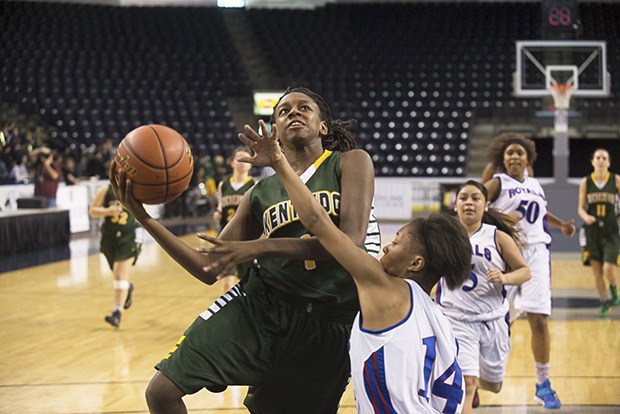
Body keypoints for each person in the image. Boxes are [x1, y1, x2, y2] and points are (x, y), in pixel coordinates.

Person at [110, 87, 380, 414]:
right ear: (275, 131)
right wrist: (142, 216)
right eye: (284, 111)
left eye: (305, 108)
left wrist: (260, 247)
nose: (294, 112)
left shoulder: (350, 162)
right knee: (161, 391)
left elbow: (349, 241)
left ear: (323, 126)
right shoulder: (260, 192)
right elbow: (208, 267)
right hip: (261, 305)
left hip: (327, 321)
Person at [224, 119, 471, 412]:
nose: (387, 245)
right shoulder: (437, 318)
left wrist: (279, 162)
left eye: (398, 241)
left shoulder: (383, 287)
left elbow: (318, 223)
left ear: (417, 263)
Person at [484, 132, 575, 410]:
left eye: (519, 153)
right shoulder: (498, 183)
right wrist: (499, 218)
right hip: (507, 253)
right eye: (509, 152)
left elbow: (540, 212)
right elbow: (470, 204)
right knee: (497, 321)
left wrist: (562, 226)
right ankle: (473, 378)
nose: (514, 156)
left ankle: (543, 384)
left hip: (537, 253)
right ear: (503, 158)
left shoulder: (535, 184)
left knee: (539, 318)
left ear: (528, 159)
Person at [438, 180, 531, 413]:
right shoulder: (444, 236)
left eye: (475, 198)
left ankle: (478, 385)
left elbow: (525, 271)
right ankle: (471, 388)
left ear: (486, 205)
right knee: (467, 384)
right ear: (455, 204)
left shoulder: (497, 237)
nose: (469, 202)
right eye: (464, 198)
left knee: (493, 384)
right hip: (456, 319)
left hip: (493, 319)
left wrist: (504, 278)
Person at [89, 182, 142, 328]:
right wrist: (108, 211)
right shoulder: (106, 189)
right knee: (118, 276)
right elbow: (92, 211)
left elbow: (145, 213)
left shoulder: (136, 189)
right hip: (109, 237)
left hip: (129, 235)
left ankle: (117, 313)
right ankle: (128, 287)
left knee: (120, 275)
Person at [577, 148, 620, 318]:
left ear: (609, 162)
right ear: (593, 161)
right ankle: (604, 303)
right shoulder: (586, 182)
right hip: (592, 232)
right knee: (597, 271)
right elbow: (580, 208)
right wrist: (586, 216)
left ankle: (614, 290)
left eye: (604, 158)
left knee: (608, 267)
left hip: (611, 232)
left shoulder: (616, 180)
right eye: (598, 157)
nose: (601, 160)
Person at [212, 146, 257, 293]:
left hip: (247, 240)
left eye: (246, 159)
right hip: (227, 240)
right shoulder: (223, 185)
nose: (243, 162)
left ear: (251, 163)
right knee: (226, 283)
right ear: (231, 162)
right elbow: (221, 205)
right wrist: (218, 212)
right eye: (239, 159)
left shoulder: (255, 185)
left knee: (250, 285)